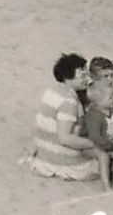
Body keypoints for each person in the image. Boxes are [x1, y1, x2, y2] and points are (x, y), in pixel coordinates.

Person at [21, 53, 100, 182]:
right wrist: (95, 143)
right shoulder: (69, 101)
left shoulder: (52, 91)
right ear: (68, 76)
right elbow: (65, 138)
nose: (88, 78)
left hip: (44, 157)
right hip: (64, 162)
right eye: (82, 74)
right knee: (105, 160)